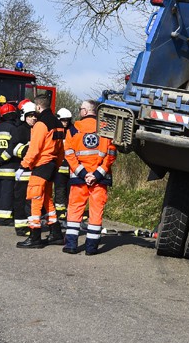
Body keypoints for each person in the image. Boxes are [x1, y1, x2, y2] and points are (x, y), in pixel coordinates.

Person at [63, 100, 117, 255]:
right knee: (96, 211)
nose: (79, 111)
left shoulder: (73, 129)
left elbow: (69, 154)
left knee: (74, 210)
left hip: (79, 179)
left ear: (85, 111)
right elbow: (111, 154)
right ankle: (91, 248)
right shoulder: (107, 129)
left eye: (80, 109)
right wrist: (97, 174)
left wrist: (82, 173)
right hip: (99, 179)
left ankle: (71, 245)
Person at [16, 94, 65, 248]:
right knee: (46, 199)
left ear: (38, 107)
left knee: (35, 199)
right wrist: (56, 165)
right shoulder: (58, 123)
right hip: (51, 165)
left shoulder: (40, 124)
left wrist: (24, 165)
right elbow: (61, 150)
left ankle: (35, 236)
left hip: (41, 165)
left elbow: (34, 148)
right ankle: (56, 233)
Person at [12, 101, 36, 236]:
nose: (33, 118)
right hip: (22, 171)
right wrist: (30, 147)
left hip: (33, 171)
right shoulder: (20, 129)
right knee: (20, 199)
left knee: (31, 201)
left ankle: (30, 224)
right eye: (30, 115)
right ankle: (21, 227)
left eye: (34, 116)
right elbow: (14, 149)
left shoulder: (36, 129)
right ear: (24, 116)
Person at [53, 108, 73, 225]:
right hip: (60, 168)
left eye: (67, 120)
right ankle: (60, 212)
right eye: (63, 120)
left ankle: (70, 212)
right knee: (60, 190)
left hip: (71, 168)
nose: (65, 123)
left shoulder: (72, 131)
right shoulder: (55, 131)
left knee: (70, 191)